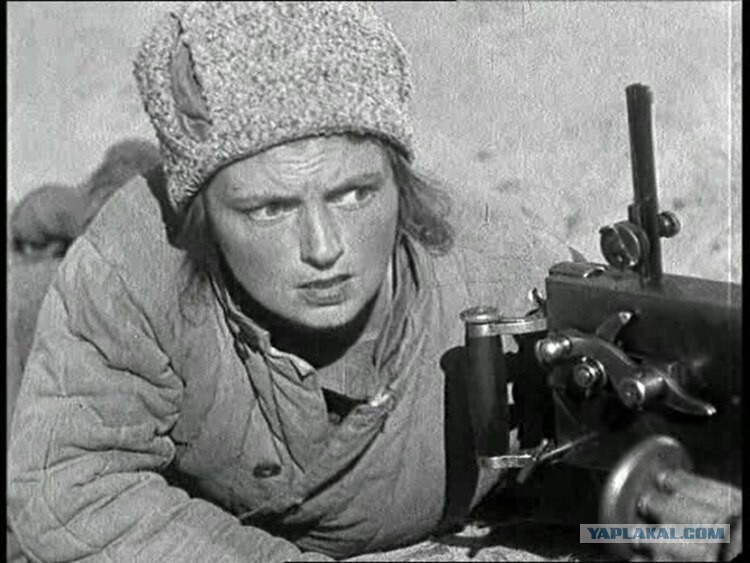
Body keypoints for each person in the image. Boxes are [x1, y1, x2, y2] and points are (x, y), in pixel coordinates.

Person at [7, 3, 574, 561]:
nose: (324, 249)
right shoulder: (130, 263)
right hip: (81, 295)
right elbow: (69, 490)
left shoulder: (506, 266)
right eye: (270, 209)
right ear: (201, 217)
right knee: (36, 280)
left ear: (400, 183)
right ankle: (72, 202)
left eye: (355, 194)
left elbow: (605, 483)